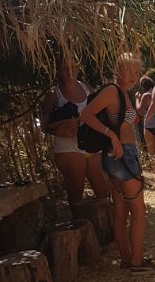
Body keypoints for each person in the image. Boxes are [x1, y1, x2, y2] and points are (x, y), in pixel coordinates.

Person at [79, 53, 155, 273]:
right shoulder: (112, 91)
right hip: (122, 155)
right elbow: (86, 115)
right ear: (118, 69)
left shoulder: (122, 92)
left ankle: (127, 259)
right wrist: (111, 135)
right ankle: (137, 262)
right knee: (138, 209)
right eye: (129, 70)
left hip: (117, 155)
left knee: (121, 209)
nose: (134, 75)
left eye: (137, 71)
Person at [41, 56, 110, 206]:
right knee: (76, 192)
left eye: (72, 67)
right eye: (65, 68)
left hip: (91, 145)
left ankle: (105, 221)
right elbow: (44, 124)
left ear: (78, 68)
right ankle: (79, 220)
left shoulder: (87, 88)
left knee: (103, 190)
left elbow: (100, 113)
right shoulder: (54, 94)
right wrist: (59, 132)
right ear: (59, 70)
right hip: (68, 147)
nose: (69, 71)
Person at [135, 76, 155, 174]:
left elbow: (139, 110)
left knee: (152, 151)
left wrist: (137, 99)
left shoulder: (146, 96)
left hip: (149, 125)